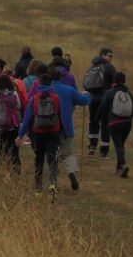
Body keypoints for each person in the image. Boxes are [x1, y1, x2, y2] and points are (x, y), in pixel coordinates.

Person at [27, 63, 92, 191]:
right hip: (66, 127)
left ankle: (51, 181)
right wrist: (86, 94)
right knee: (68, 153)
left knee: (49, 155)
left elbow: (30, 102)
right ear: (61, 78)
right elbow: (85, 101)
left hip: (47, 127)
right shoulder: (69, 89)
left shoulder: (44, 90)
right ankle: (72, 171)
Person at [17, 71, 64, 198]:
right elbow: (62, 116)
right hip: (53, 132)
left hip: (38, 133)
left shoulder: (34, 98)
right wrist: (66, 132)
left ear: (40, 83)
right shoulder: (56, 98)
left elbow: (27, 119)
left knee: (38, 159)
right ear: (50, 84)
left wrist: (20, 135)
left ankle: (38, 189)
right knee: (52, 159)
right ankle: (52, 184)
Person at [95, 72, 133, 178]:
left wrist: (96, 120)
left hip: (114, 123)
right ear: (124, 81)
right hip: (127, 123)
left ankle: (123, 165)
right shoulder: (128, 93)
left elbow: (102, 107)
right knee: (120, 145)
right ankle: (119, 169)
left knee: (118, 145)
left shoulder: (110, 92)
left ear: (114, 80)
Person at [83, 48, 117, 158]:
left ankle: (92, 146)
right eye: (109, 55)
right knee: (105, 123)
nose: (111, 58)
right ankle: (104, 151)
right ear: (103, 55)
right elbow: (116, 82)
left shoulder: (92, 66)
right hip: (104, 100)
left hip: (92, 99)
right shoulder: (109, 67)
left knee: (93, 121)